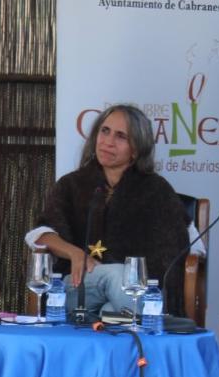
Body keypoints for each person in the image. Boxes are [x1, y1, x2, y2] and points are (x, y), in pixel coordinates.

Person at [26, 104, 192, 316]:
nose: (108, 142)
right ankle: (151, 327)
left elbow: (182, 246)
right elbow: (41, 235)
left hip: (127, 294)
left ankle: (120, 318)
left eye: (121, 136)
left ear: (136, 149)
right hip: (76, 286)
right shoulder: (71, 184)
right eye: (105, 131)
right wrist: (76, 253)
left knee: (110, 310)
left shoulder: (156, 190)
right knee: (118, 275)